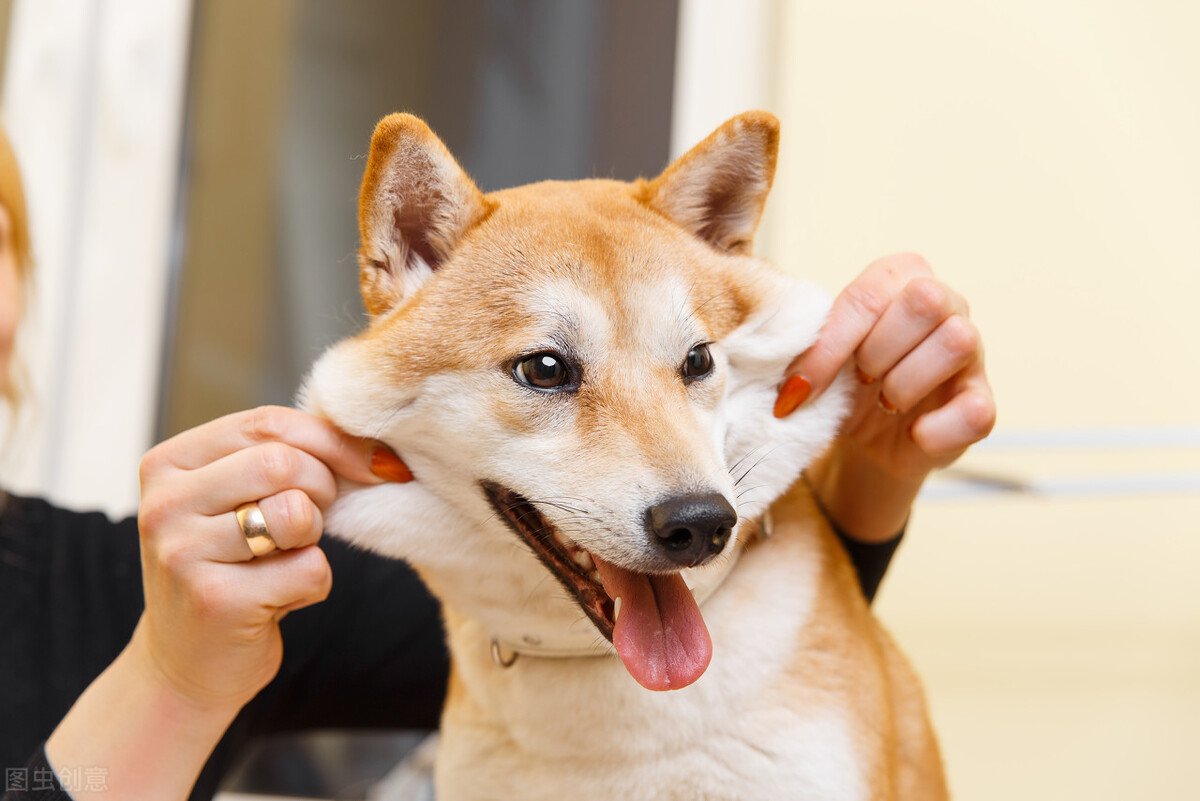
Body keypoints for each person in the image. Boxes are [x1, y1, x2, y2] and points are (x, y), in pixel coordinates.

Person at [0, 118, 995, 800]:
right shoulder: (164, 621)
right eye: (547, 369)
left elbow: (709, 613)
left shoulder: (152, 578)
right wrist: (169, 678)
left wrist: (872, 455)